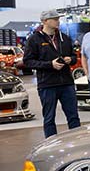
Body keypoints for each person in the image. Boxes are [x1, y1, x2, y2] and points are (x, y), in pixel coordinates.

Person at [23, 9, 81, 138]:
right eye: (54, 19)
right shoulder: (34, 39)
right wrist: (50, 64)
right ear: (44, 21)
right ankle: (50, 145)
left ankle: (77, 142)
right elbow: (28, 61)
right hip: (47, 85)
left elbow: (74, 57)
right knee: (49, 118)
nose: (57, 21)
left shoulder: (64, 38)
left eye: (58, 18)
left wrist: (69, 59)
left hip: (66, 83)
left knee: (73, 116)